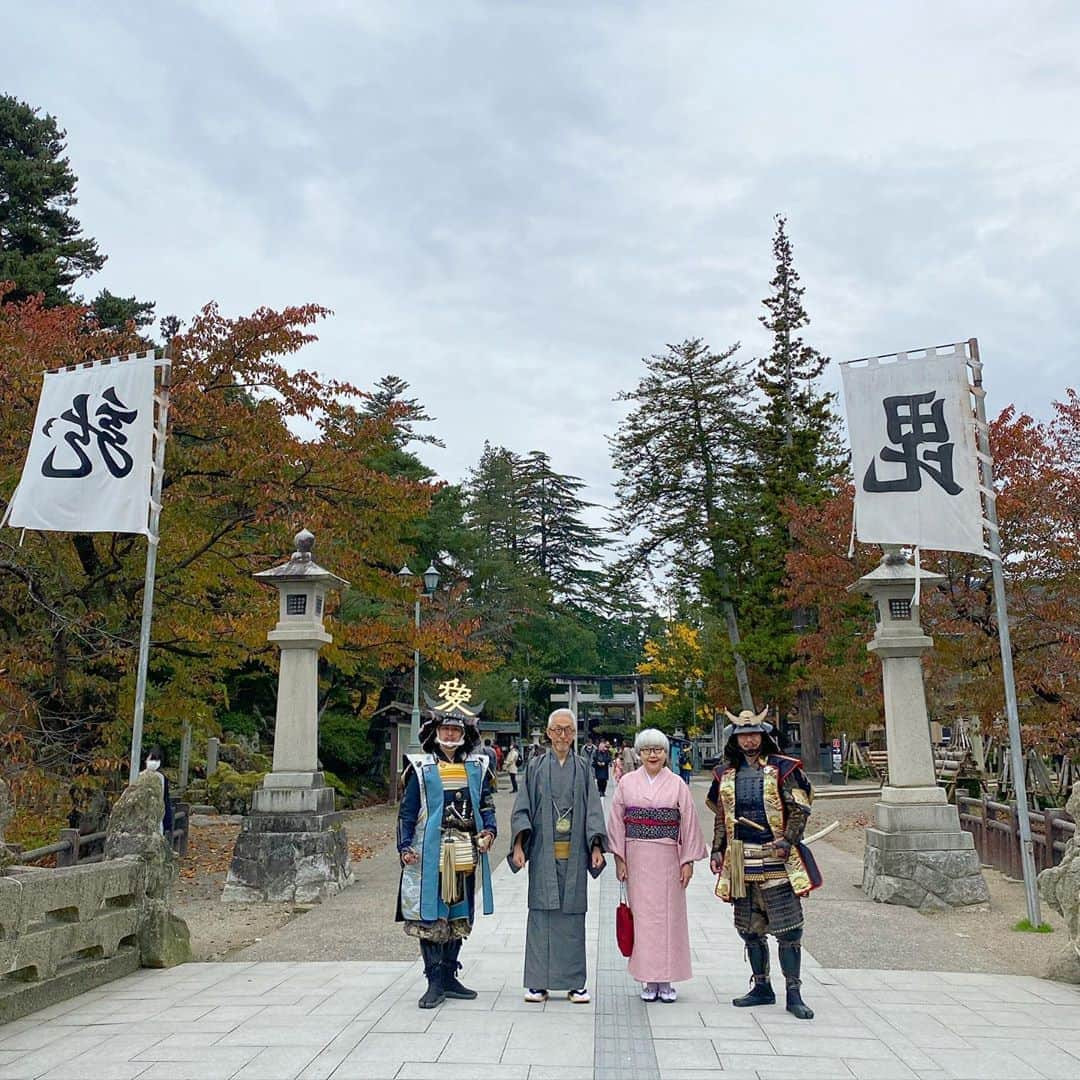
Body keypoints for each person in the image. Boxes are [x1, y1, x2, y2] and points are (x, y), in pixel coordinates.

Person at [707, 707, 820, 1020]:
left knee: (788, 927)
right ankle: (762, 987)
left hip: (775, 854)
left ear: (764, 734)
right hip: (740, 855)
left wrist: (788, 840)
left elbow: (800, 808)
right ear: (736, 739)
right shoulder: (724, 773)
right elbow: (721, 815)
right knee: (748, 927)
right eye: (743, 735)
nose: (749, 740)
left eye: (753, 734)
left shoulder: (784, 768)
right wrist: (717, 849)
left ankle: (794, 993)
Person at [396, 709, 497, 1009]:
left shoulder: (477, 768)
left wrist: (490, 831)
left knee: (459, 914)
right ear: (435, 732)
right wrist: (403, 846)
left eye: (455, 730)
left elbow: (486, 805)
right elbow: (407, 811)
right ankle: (433, 980)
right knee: (430, 915)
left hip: (464, 850)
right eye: (445, 728)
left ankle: (450, 974)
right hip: (429, 853)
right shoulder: (421, 767)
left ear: (465, 735)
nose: (450, 734)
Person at [510, 708, 607, 1004]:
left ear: (575, 734)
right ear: (549, 733)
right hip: (542, 854)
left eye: (568, 730)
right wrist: (518, 845)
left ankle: (576, 983)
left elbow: (593, 809)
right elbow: (522, 807)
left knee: (573, 917)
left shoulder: (583, 769)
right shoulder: (536, 768)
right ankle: (538, 983)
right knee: (541, 915)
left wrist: (596, 846)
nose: (563, 735)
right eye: (557, 730)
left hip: (574, 854)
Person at [606, 728, 707, 1003]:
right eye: (648, 750)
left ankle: (667, 979)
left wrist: (687, 861)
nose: (653, 755)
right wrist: (619, 857)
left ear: (665, 754)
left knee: (670, 920)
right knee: (643, 920)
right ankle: (648, 980)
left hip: (668, 858)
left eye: (658, 750)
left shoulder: (677, 784)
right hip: (637, 856)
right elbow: (616, 821)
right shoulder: (627, 783)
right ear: (639, 754)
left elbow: (688, 823)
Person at [143, 746, 174, 837]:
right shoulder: (142, 775)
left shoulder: (161, 778)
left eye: (155, 759)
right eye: (151, 758)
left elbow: (165, 800)